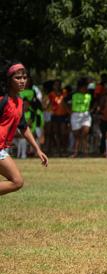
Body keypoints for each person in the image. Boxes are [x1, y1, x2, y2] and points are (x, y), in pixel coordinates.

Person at [0, 60, 48, 195]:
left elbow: (23, 127)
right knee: (17, 181)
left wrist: (37, 149)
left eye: (24, 77)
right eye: (18, 78)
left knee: (16, 182)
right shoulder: (2, 99)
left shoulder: (19, 101)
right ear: (9, 80)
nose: (22, 81)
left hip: (2, 148)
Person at [69, 78, 92, 157]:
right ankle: (75, 152)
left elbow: (92, 104)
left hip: (85, 115)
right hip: (75, 115)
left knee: (84, 134)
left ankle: (86, 152)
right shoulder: (73, 95)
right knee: (77, 136)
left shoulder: (88, 96)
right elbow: (64, 102)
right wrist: (70, 111)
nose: (85, 89)